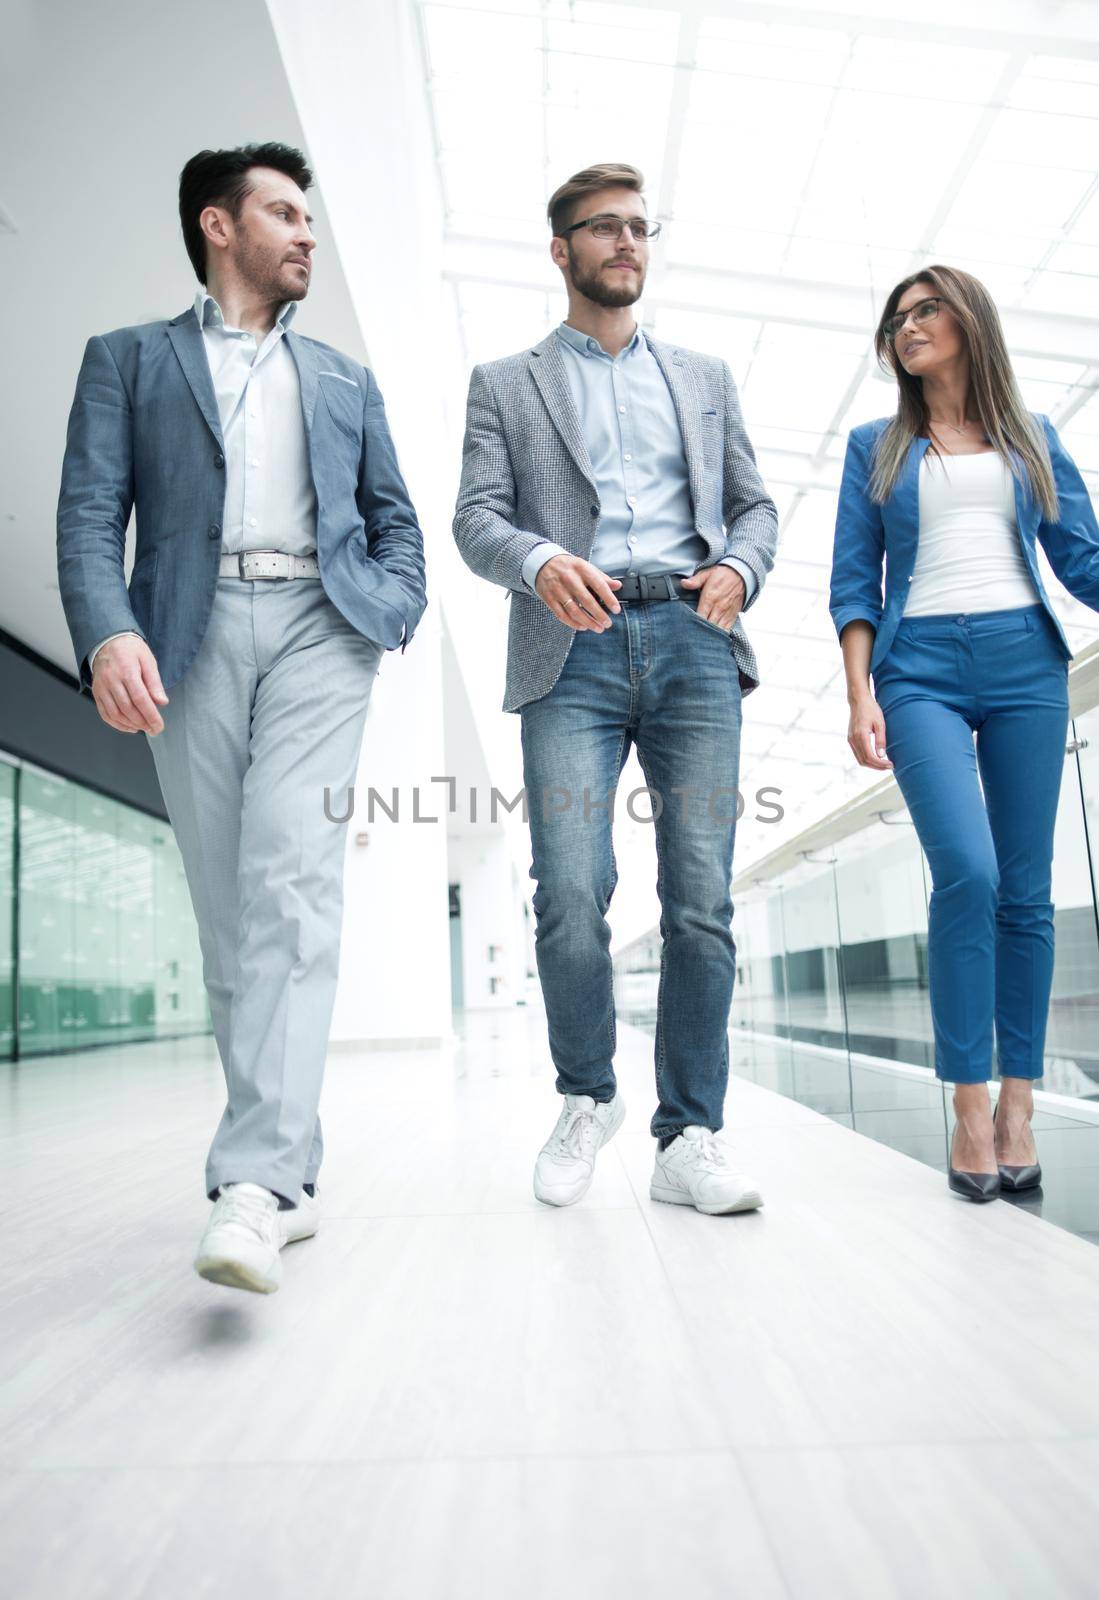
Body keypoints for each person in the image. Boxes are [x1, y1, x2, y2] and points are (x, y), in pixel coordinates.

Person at [57, 143, 426, 1290]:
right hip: (186, 633)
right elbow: (86, 516)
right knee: (230, 917)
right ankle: (292, 1168)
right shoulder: (127, 360)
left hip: (323, 622)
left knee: (289, 880)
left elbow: (394, 519)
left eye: (309, 214)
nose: (307, 232)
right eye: (283, 212)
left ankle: (250, 1184)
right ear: (219, 227)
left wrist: (389, 609)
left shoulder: (343, 379)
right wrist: (107, 630)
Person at [453, 162, 777, 1215]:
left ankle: (689, 1137)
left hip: (693, 635)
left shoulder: (704, 375)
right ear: (561, 251)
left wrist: (739, 566)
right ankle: (585, 1095)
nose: (628, 243)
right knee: (571, 891)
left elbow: (755, 509)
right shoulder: (505, 382)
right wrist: (538, 561)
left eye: (641, 227)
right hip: (569, 646)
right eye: (605, 228)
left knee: (700, 900)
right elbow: (476, 518)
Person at [830, 264, 1099, 1201]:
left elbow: (1081, 559)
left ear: (967, 320)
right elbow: (853, 583)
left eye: (925, 310)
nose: (907, 327)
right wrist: (860, 693)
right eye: (896, 317)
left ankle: (1017, 1107)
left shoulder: (1032, 439)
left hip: (1026, 660)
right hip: (918, 673)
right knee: (969, 875)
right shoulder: (875, 446)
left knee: (1026, 894)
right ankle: (966, 1105)